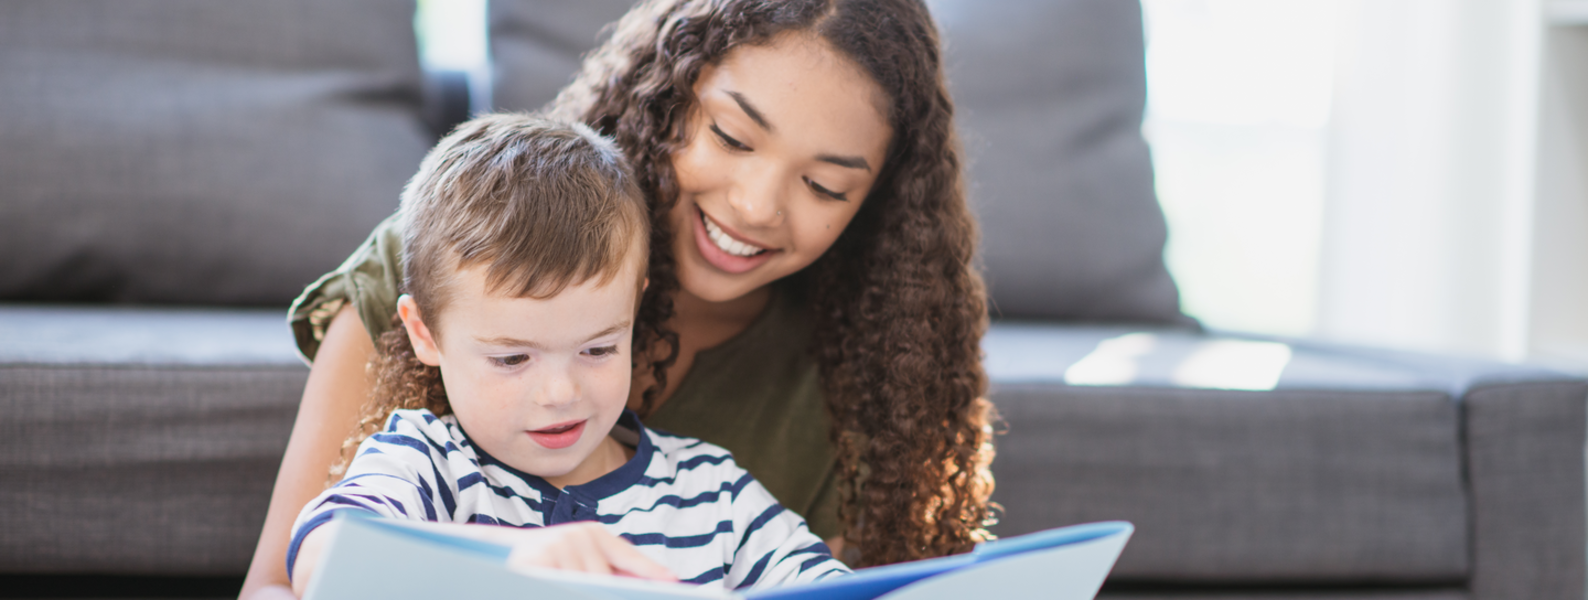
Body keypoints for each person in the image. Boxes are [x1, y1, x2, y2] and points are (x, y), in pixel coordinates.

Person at [242, 1, 993, 597]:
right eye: (732, 137)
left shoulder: (722, 481)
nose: (759, 206)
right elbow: (306, 566)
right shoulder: (448, 327)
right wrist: (517, 558)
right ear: (669, 98)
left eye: (826, 185)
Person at [287, 114, 849, 596]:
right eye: (512, 359)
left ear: (635, 310)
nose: (561, 393)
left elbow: (831, 590)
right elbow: (322, 559)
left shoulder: (716, 493)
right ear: (426, 334)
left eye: (598, 348)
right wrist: (510, 558)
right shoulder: (428, 465)